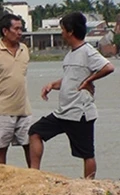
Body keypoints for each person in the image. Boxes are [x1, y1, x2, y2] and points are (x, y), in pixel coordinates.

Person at [29, 12, 114, 179]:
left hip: (80, 113)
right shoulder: (70, 55)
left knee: (87, 153)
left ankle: (89, 185)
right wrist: (52, 85)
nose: (61, 32)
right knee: (35, 132)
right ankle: (34, 175)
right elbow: (71, 79)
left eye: (62, 29)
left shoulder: (87, 51)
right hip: (64, 112)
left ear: (70, 31)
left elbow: (108, 67)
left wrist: (90, 80)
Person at [0, 13, 32, 166]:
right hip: (1, 109)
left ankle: (34, 176)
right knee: (1, 148)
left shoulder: (24, 49)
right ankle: (0, 179)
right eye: (16, 29)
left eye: (21, 29)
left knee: (30, 144)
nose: (20, 32)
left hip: (24, 108)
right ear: (5, 31)